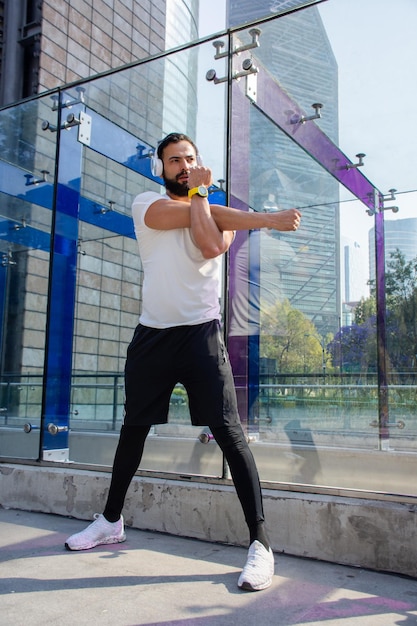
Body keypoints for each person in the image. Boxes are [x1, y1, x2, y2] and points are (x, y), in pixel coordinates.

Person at [65, 132, 301, 592]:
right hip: (151, 336)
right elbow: (198, 216)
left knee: (231, 434)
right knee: (133, 429)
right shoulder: (146, 202)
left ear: (200, 162)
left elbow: (212, 244)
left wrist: (206, 199)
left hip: (201, 337)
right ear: (161, 167)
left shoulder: (215, 209)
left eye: (190, 158)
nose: (183, 165)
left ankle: (261, 545)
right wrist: (267, 218)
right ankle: (111, 521)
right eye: (174, 160)